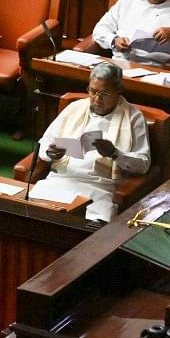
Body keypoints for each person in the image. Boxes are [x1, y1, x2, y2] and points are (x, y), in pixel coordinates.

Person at [29, 62, 150, 221]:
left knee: (89, 231)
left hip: (100, 188)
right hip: (61, 180)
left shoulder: (133, 117)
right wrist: (49, 152)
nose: (97, 99)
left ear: (119, 91)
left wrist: (115, 154)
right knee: (30, 215)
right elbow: (45, 141)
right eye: (93, 91)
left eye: (105, 94)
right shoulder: (74, 108)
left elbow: (143, 163)